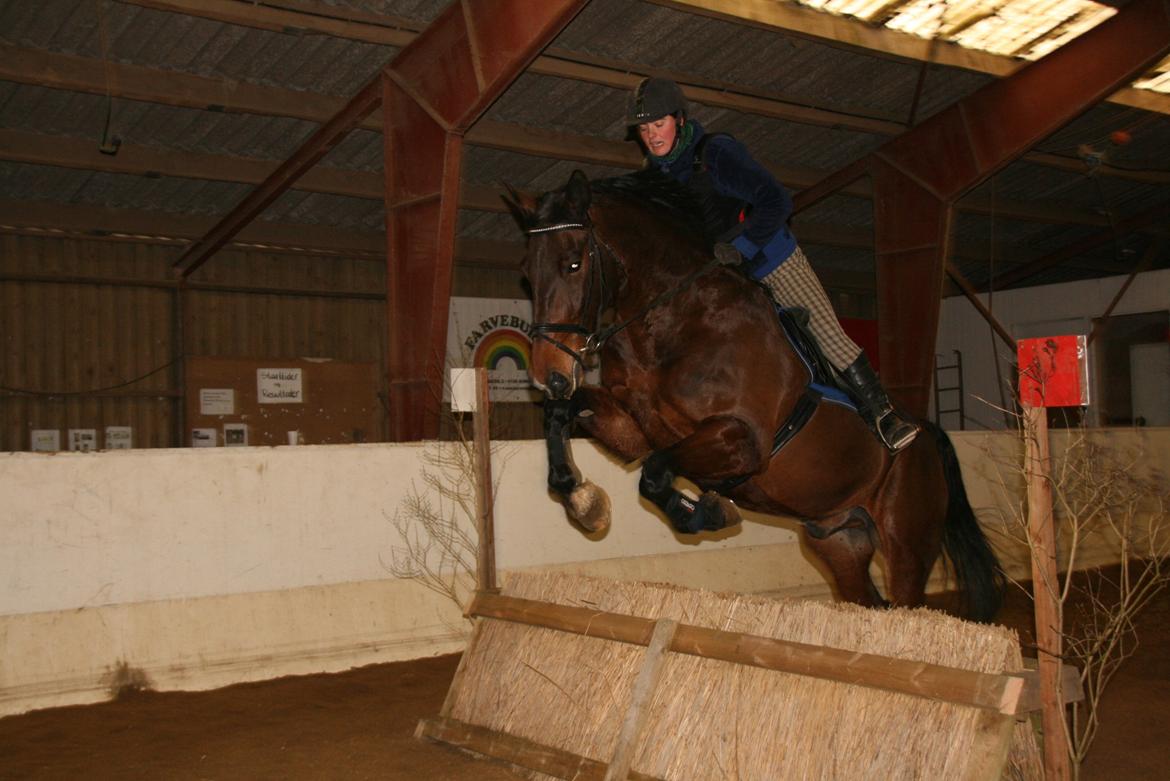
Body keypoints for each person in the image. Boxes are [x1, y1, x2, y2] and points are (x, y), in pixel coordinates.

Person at [626, 77, 919, 452]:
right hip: (721, 282)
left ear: (679, 120)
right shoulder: (654, 177)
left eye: (659, 124)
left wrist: (743, 246)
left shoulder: (715, 152)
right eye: (644, 129)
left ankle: (883, 413)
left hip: (770, 261)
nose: (652, 136)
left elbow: (777, 200)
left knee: (827, 333)